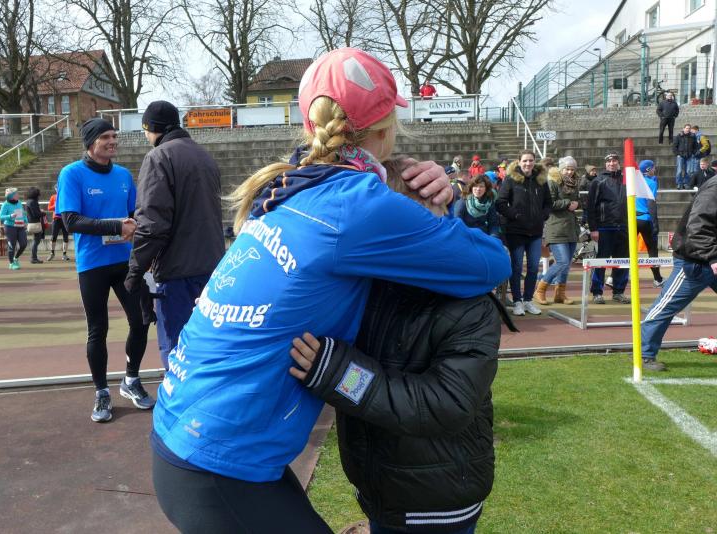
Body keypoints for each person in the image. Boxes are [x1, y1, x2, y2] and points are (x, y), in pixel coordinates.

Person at [150, 47, 510, 533]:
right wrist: (442, 199)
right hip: (216, 461)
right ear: (385, 129)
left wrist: (399, 179)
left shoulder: (293, 183)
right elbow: (492, 263)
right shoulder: (355, 202)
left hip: (190, 435)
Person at [287, 159, 515, 534]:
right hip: (382, 491)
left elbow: (447, 403)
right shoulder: (369, 283)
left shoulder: (470, 304)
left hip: (437, 504)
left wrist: (340, 374)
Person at [56, 118, 153, 423]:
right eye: (106, 137)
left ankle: (131, 379)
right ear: (90, 142)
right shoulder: (72, 173)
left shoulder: (123, 174)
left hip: (125, 262)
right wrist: (115, 226)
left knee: (140, 320)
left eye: (114, 136)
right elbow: (70, 221)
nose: (113, 141)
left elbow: (134, 213)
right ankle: (101, 391)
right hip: (92, 264)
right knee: (98, 329)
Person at [125, 100, 225, 371]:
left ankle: (178, 399)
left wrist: (135, 271)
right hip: (212, 267)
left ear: (151, 128)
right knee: (207, 349)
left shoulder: (158, 157)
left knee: (177, 354)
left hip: (177, 272)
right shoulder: (204, 156)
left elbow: (152, 224)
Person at [640, 177, 717, 372]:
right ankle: (645, 355)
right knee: (665, 307)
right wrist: (713, 258)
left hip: (706, 258)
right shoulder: (714, 188)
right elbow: (698, 227)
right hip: (695, 261)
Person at [495, 150, 552, 316]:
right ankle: (517, 301)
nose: (528, 163)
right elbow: (500, 203)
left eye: (531, 160)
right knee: (517, 267)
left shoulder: (541, 180)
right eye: (525, 160)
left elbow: (548, 203)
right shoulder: (510, 179)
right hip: (516, 231)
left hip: (535, 232)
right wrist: (515, 215)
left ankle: (528, 300)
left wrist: (543, 215)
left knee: (533, 268)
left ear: (535, 162)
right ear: (519, 161)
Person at [534, 157, 580, 305]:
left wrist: (577, 204)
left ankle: (560, 294)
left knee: (566, 264)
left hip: (571, 228)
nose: (569, 172)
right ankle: (540, 290)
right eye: (567, 169)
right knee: (562, 261)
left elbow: (576, 201)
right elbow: (549, 203)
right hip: (556, 227)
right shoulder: (552, 182)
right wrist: (568, 203)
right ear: (561, 169)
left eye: (572, 169)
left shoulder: (574, 183)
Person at [587, 153, 631, 304]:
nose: (612, 163)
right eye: (609, 161)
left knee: (623, 261)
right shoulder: (598, 181)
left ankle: (618, 291)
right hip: (605, 227)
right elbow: (590, 206)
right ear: (605, 164)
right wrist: (593, 228)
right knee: (601, 261)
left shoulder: (627, 179)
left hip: (623, 227)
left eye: (614, 161)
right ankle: (597, 292)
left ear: (619, 162)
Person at [635, 160, 664, 288]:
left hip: (632, 218)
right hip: (645, 219)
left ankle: (613, 278)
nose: (654, 170)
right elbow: (651, 204)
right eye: (653, 168)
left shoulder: (633, 182)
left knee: (626, 249)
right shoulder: (651, 183)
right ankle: (658, 279)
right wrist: (655, 223)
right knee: (652, 249)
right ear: (648, 170)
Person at [0, 188, 29, 270]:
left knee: (24, 244)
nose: (18, 195)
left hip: (20, 226)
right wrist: (10, 216)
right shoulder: (5, 204)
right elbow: (0, 216)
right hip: (10, 227)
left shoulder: (19, 202)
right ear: (11, 196)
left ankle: (16, 257)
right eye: (16, 194)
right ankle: (11, 263)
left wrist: (26, 221)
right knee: (12, 245)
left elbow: (22, 213)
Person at [46, 184, 70, 261]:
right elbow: (49, 208)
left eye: (59, 188)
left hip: (64, 218)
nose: (58, 189)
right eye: (56, 188)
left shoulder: (65, 196)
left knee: (66, 236)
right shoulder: (53, 197)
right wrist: (55, 205)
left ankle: (64, 254)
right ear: (55, 189)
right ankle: (52, 253)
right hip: (56, 218)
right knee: (53, 236)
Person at [672, 124, 698, 190]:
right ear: (683, 129)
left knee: (688, 171)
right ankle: (679, 184)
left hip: (689, 156)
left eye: (689, 128)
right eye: (686, 128)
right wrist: (677, 154)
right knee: (679, 170)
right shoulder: (679, 136)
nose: (688, 129)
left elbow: (696, 146)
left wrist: (693, 153)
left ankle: (685, 183)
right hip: (680, 156)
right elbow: (674, 146)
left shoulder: (693, 136)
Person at [24, 186, 45, 264]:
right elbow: (36, 214)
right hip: (35, 223)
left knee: (35, 241)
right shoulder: (33, 202)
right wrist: (43, 213)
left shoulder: (28, 202)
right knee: (36, 241)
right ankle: (34, 258)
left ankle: (34, 257)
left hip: (31, 222)